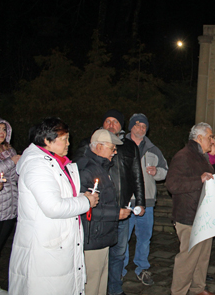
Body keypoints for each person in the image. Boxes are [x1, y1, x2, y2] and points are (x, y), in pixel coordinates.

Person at [8, 117, 99, 295]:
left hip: (57, 243)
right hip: (44, 250)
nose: (68, 143)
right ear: (47, 141)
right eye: (64, 139)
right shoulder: (37, 165)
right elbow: (53, 206)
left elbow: (61, 195)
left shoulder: (57, 162)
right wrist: (86, 202)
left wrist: (81, 196)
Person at [166, 122, 215, 295]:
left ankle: (198, 288)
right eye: (210, 137)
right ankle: (178, 291)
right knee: (187, 259)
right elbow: (172, 184)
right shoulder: (184, 156)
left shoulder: (201, 156)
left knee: (202, 256)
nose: (212, 140)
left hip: (203, 215)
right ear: (199, 137)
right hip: (188, 216)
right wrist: (199, 180)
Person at [99, 110, 145, 295]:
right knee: (99, 256)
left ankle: (115, 290)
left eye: (115, 122)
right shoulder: (91, 143)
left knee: (118, 254)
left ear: (121, 126)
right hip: (99, 212)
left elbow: (137, 175)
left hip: (123, 210)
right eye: (107, 121)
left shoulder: (128, 146)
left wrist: (140, 202)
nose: (111, 125)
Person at [77, 129, 125, 295]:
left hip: (102, 235)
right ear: (98, 147)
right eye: (112, 148)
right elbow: (84, 209)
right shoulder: (87, 170)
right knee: (92, 282)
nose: (115, 152)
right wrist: (116, 214)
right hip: (93, 237)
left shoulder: (101, 167)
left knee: (101, 283)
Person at [123, 114, 168, 286]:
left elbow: (165, 170)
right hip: (126, 202)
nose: (141, 128)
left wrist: (156, 172)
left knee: (144, 237)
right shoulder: (121, 146)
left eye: (144, 126)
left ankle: (142, 268)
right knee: (122, 239)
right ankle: (120, 269)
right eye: (137, 125)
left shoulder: (153, 149)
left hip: (147, 202)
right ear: (131, 127)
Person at [0, 117, 20, 295]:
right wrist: (11, 163)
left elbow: (14, 177)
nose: (2, 132)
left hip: (9, 208)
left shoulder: (10, 151)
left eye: (3, 129)